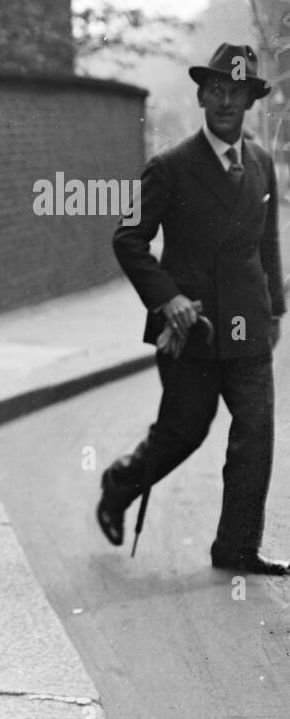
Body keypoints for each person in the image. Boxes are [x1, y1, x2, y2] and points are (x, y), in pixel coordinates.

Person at [97, 43, 286, 575]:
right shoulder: (171, 167)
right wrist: (168, 298)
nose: (227, 100)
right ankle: (118, 485)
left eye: (238, 92)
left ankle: (236, 547)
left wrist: (274, 310)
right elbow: (129, 239)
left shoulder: (263, 165)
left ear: (251, 100)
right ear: (203, 95)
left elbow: (266, 244)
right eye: (218, 90)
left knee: (255, 436)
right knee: (183, 433)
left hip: (249, 327)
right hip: (193, 328)